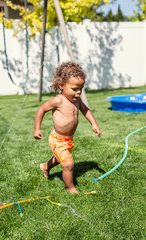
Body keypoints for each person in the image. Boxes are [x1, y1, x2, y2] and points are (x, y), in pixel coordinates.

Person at [34, 62, 101, 193]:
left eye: (80, 88)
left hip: (68, 139)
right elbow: (41, 110)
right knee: (68, 164)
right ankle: (70, 188)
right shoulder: (58, 100)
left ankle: (45, 167)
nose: (78, 92)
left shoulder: (77, 100)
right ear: (61, 86)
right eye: (74, 89)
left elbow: (86, 110)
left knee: (60, 159)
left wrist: (94, 123)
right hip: (57, 139)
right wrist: (37, 128)